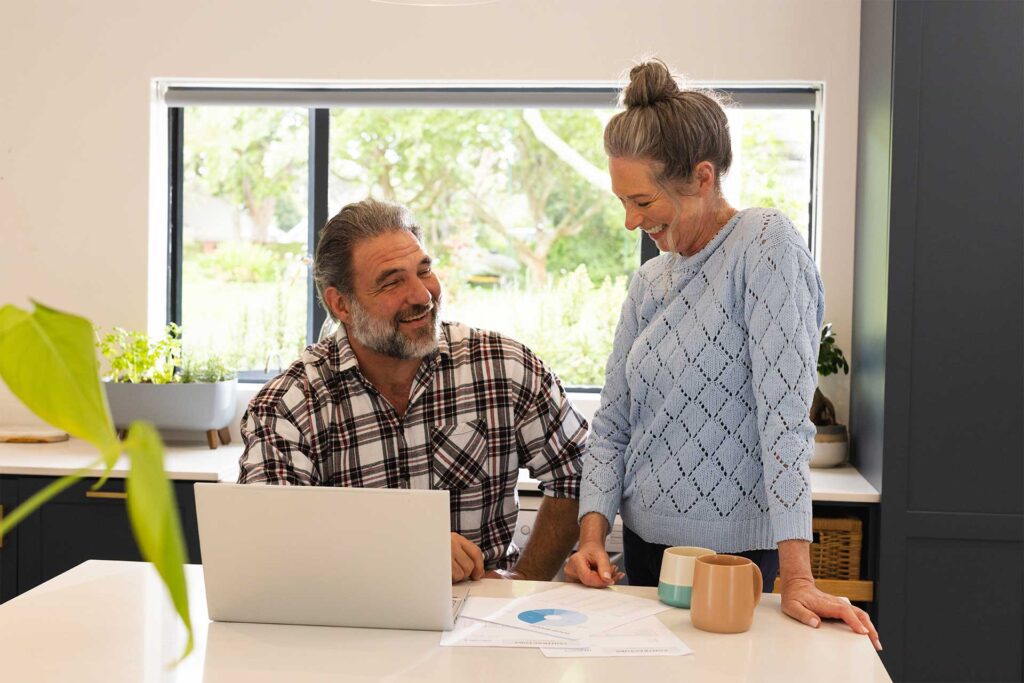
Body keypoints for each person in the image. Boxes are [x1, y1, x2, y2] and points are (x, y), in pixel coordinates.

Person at [564, 59, 881, 651]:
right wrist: (590, 536)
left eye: (641, 200)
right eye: (622, 202)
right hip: (644, 551)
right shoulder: (649, 282)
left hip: (739, 558)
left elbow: (785, 424)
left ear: (703, 177)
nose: (631, 221)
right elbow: (612, 425)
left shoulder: (765, 245)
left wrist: (799, 578)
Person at [239, 198, 585, 583]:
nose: (422, 295)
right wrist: (408, 545)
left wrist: (522, 581)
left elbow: (577, 473)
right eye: (392, 282)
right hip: (350, 625)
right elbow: (268, 535)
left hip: (483, 623)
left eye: (424, 271)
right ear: (341, 304)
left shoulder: (504, 367)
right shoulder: (289, 405)